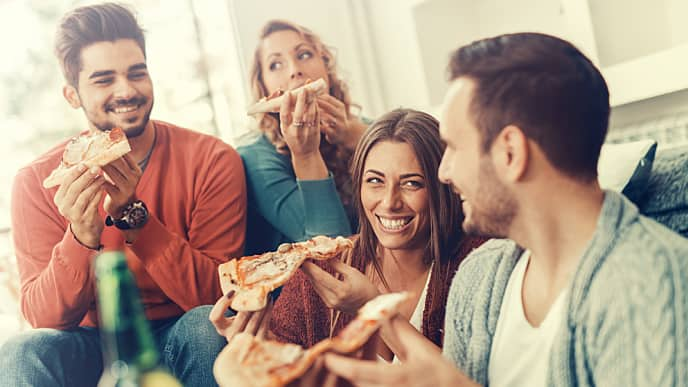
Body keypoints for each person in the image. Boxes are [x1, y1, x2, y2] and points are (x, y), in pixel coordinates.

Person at [324, 33, 688, 386]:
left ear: (510, 153)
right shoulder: (480, 277)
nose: (444, 172)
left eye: (454, 146)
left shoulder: (656, 282)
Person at [0, 3, 246, 387]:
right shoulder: (36, 181)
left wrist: (135, 217)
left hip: (178, 331)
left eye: (137, 73)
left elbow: (218, 298)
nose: (126, 90)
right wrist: (80, 237)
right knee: (20, 351)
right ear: (72, 94)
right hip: (89, 343)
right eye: (103, 80)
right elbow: (44, 318)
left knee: (206, 326)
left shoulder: (212, 160)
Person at [211, 109, 486, 362]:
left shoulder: (480, 265)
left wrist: (372, 307)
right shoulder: (319, 268)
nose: (390, 202)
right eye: (375, 181)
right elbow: (283, 367)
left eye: (412, 183)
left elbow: (468, 380)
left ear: (443, 187)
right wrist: (258, 348)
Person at [238, 19, 370, 255]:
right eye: (276, 64)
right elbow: (330, 248)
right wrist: (306, 155)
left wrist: (353, 136)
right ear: (264, 87)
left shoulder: (367, 128)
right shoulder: (255, 158)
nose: (294, 70)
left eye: (304, 54)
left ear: (326, 66)